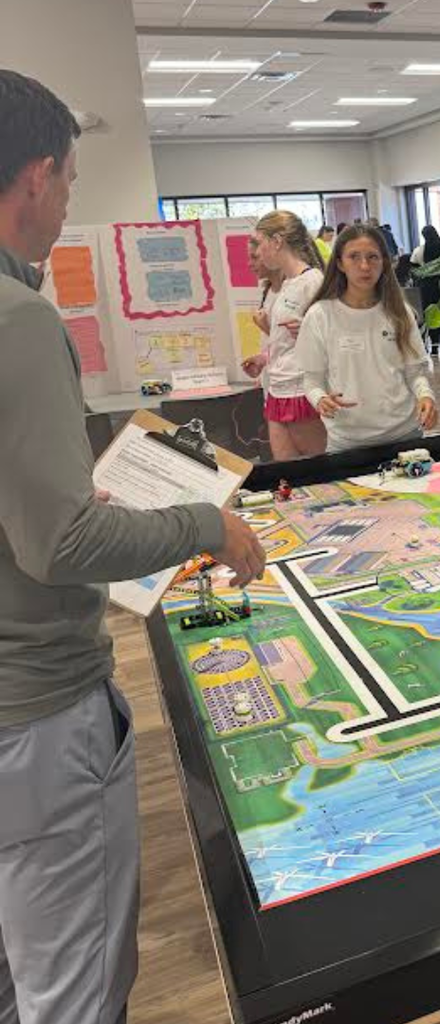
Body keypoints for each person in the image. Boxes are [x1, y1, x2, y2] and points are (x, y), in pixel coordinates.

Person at [0, 70, 265, 1024]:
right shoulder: (18, 316)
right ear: (37, 175)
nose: (69, 203)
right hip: (33, 713)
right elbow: (61, 541)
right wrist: (207, 525)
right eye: (71, 180)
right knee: (73, 988)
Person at [297, 224, 437, 452]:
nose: (364, 266)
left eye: (373, 257)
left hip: (405, 435)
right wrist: (320, 399)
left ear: (384, 262)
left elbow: (415, 372)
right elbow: (312, 381)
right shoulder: (320, 315)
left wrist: (426, 396)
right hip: (346, 442)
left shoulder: (399, 311)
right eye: (354, 257)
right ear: (340, 263)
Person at [253, 210, 326, 460]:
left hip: (302, 389)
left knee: (317, 471)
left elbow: (333, 336)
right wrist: (264, 356)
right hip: (278, 387)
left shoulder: (313, 281)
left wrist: (308, 329)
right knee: (286, 473)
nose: (258, 252)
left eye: (260, 243)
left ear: (277, 241)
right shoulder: (287, 283)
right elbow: (285, 339)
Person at [240, 234, 281, 383]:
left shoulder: (290, 294)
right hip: (273, 383)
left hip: (291, 386)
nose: (250, 264)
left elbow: (296, 345)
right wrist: (263, 359)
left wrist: (266, 327)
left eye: (255, 257)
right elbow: (278, 346)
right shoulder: (268, 291)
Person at [411, 225, 440, 355]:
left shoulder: (419, 251)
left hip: (428, 285)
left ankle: (434, 345)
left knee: (431, 314)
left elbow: (414, 269)